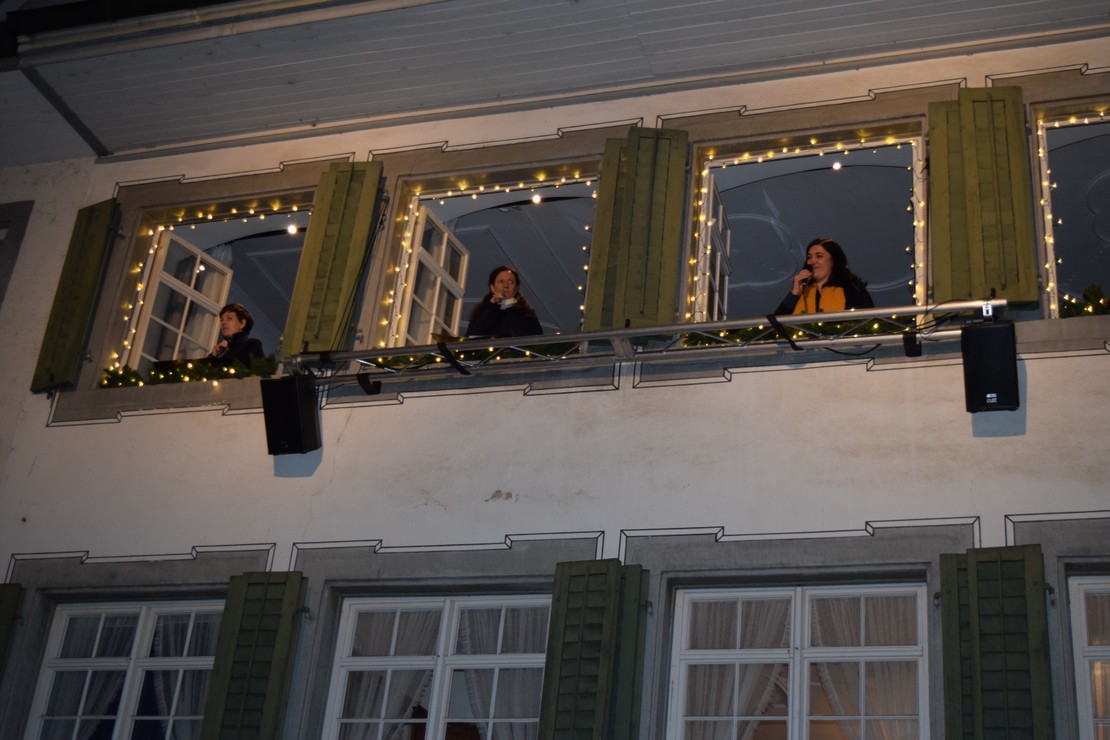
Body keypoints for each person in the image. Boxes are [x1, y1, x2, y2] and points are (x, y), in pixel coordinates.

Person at [775, 237, 874, 315]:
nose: (812, 262)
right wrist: (795, 294)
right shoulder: (802, 291)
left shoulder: (853, 289)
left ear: (833, 261)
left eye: (819, 256)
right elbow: (774, 328)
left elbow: (867, 325)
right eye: (809, 257)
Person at [464, 265, 543, 338]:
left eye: (510, 282)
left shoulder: (527, 315)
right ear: (492, 287)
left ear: (516, 288)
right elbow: (471, 337)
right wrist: (492, 307)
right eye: (501, 281)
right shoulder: (482, 312)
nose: (506, 285)